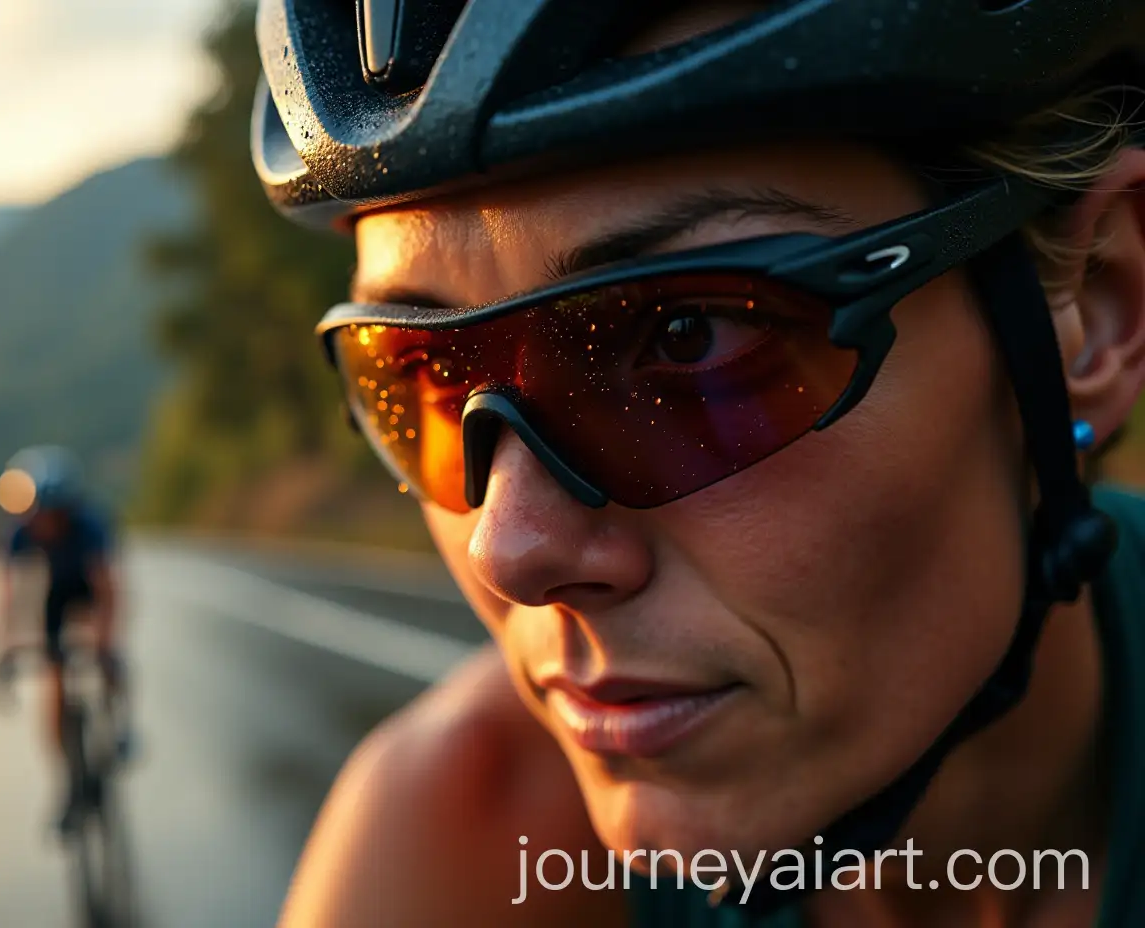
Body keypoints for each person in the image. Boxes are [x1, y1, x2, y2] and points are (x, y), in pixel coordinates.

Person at [251, 2, 1145, 925]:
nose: (509, 551)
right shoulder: (453, 843)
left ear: (1099, 311)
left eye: (689, 341)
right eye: (422, 372)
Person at [0, 445, 128, 835]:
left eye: (54, 514)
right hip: (56, 591)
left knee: (105, 652)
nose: (45, 523)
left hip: (87, 585)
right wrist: (6, 647)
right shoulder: (17, 531)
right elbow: (8, 594)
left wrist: (104, 643)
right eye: (39, 515)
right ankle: (69, 781)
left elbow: (108, 591)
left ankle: (118, 720)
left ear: (67, 509)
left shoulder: (89, 526)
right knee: (54, 680)